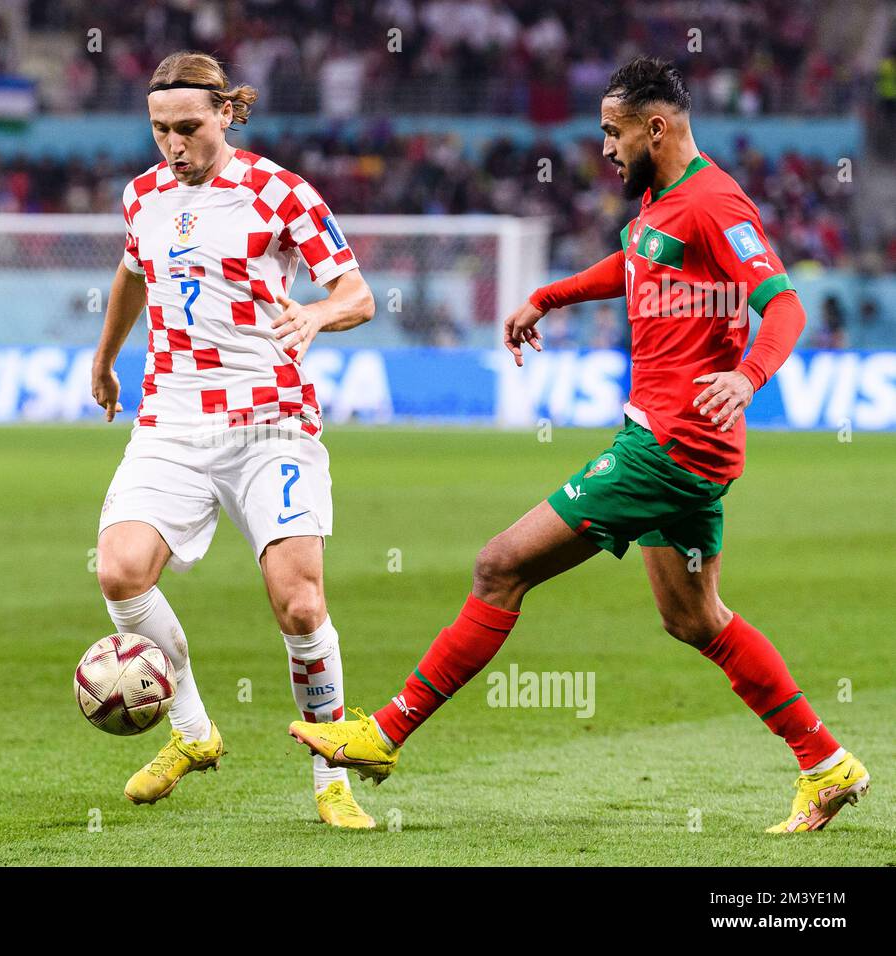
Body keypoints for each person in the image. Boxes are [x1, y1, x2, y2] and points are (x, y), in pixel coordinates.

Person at [291, 57, 868, 835]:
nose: (603, 147)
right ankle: (827, 764)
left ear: (654, 127)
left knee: (500, 565)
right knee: (695, 619)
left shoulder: (714, 204)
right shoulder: (662, 205)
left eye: (612, 131)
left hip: (668, 448)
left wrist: (748, 378)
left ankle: (385, 733)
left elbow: (786, 305)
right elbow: (632, 263)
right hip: (680, 447)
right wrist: (548, 297)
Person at [91, 51, 377, 827]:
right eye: (159, 130)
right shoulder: (142, 196)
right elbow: (132, 275)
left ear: (226, 114)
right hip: (173, 418)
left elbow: (357, 293)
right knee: (119, 572)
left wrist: (316, 314)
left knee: (299, 605)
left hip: (268, 420)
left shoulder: (280, 191)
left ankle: (330, 779)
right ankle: (191, 731)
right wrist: (107, 359)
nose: (173, 145)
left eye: (188, 127)